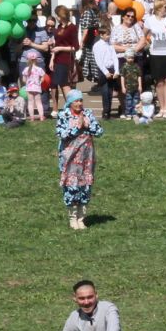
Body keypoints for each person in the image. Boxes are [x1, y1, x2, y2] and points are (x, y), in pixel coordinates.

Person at [56, 89, 103, 230]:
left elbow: (100, 132)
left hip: (86, 157)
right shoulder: (63, 115)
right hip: (70, 157)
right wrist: (78, 127)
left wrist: (89, 125)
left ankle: (81, 218)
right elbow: (61, 134)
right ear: (70, 102)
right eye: (76, 100)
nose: (79, 103)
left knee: (85, 186)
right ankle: (72, 218)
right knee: (71, 186)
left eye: (81, 100)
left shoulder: (87, 113)